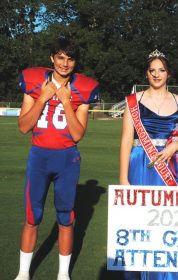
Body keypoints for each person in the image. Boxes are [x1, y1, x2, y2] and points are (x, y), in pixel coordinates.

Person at [15, 35, 99, 280]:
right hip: (39, 157)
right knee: (32, 216)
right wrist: (42, 97)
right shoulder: (33, 82)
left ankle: (63, 274)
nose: (65, 63)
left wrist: (64, 100)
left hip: (66, 160)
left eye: (70, 59)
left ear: (75, 62)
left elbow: (77, 134)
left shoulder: (82, 88)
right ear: (52, 58)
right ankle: (23, 273)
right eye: (60, 57)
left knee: (65, 216)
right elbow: (23, 127)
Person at [119, 49, 178, 280]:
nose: (157, 74)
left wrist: (176, 147)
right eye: (152, 70)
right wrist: (123, 179)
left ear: (168, 73)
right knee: (138, 224)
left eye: (161, 70)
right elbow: (125, 141)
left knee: (166, 224)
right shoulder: (133, 101)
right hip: (140, 162)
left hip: (169, 166)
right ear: (146, 73)